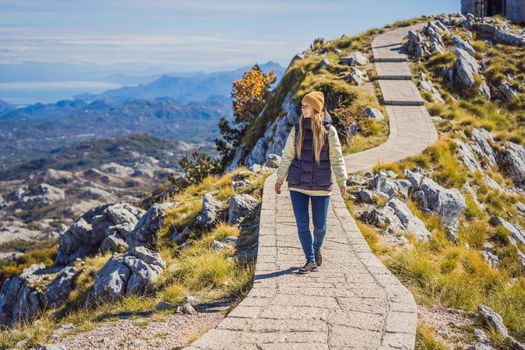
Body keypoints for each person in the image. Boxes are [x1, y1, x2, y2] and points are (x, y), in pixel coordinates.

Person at [274, 90, 349, 274]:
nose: (302, 108)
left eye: (306, 106)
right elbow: (287, 155)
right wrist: (280, 178)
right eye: (302, 105)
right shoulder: (297, 128)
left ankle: (316, 248)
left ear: (315, 109)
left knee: (320, 226)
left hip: (321, 186)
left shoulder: (329, 131)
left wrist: (342, 180)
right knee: (301, 224)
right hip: (297, 183)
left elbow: (337, 157)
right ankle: (310, 260)